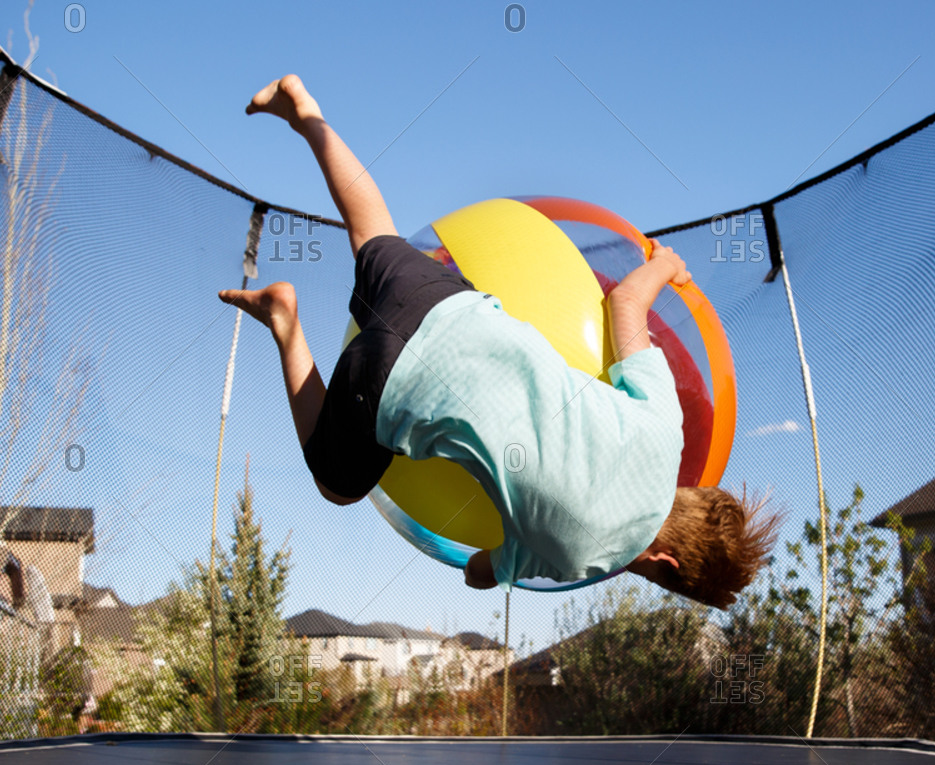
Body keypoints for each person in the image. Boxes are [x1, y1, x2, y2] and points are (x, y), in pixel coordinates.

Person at [220, 76, 780, 607]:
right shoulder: (577, 560)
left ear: (695, 496)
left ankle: (306, 115)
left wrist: (663, 266)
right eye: (658, 580)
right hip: (389, 383)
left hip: (452, 304)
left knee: (373, 230)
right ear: (666, 563)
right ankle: (286, 321)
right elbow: (476, 572)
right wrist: (508, 559)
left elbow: (624, 305)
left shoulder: (664, 431)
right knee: (334, 485)